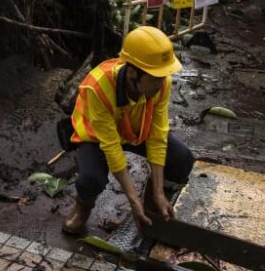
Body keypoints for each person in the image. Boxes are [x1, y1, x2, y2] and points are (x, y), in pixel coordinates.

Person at [60, 26, 195, 235]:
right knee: (91, 179)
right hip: (98, 136)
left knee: (181, 158)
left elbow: (158, 137)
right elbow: (111, 147)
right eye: (155, 77)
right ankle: (83, 207)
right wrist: (131, 199)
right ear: (133, 72)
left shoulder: (161, 83)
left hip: (135, 131)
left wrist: (159, 191)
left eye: (163, 76)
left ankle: (153, 203)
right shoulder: (97, 85)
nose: (162, 83)